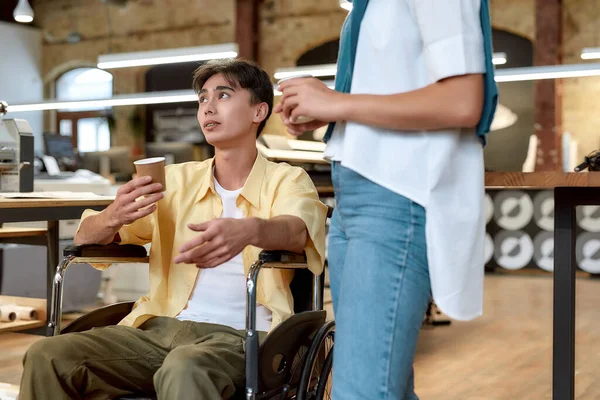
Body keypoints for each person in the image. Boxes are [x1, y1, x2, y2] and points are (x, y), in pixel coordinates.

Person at [19, 58, 328, 400]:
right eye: (202, 99)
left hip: (242, 337)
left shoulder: (287, 180)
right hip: (157, 328)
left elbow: (296, 232)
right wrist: (113, 215)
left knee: (184, 367)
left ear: (259, 112)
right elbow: (83, 239)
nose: (208, 107)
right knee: (47, 355)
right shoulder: (174, 181)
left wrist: (250, 231)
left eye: (223, 96)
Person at [275, 0, 498, 399]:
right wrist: (332, 112)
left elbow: (464, 100)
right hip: (357, 194)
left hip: (394, 195)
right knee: (378, 385)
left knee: (362, 391)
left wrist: (337, 103)